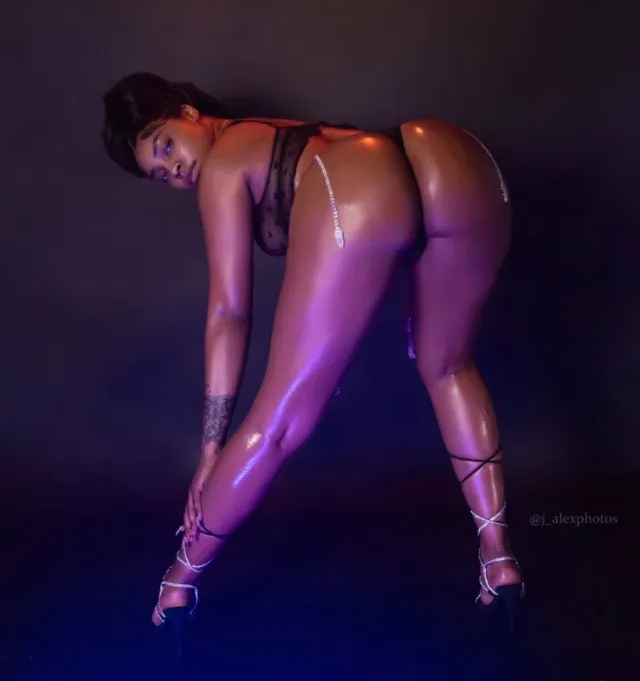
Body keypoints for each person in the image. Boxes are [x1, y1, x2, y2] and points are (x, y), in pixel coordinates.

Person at [101, 71, 524, 638]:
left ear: (188, 112)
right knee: (448, 365)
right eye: (161, 174)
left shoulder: (224, 162)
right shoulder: (279, 132)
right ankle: (499, 558)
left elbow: (229, 313)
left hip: (366, 184)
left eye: (165, 145)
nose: (175, 170)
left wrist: (209, 452)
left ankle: (179, 582)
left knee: (277, 424)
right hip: (451, 156)